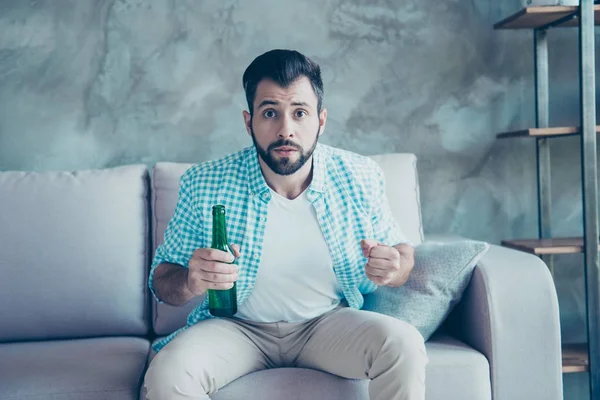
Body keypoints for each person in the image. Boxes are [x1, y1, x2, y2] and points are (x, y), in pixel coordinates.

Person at [143, 49, 428, 400]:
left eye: (300, 113)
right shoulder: (203, 183)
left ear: (321, 120)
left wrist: (394, 267)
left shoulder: (360, 175)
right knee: (169, 372)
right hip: (236, 329)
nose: (285, 130)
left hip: (327, 324)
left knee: (404, 345)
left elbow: (402, 254)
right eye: (270, 113)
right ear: (249, 122)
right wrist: (190, 280)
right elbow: (161, 279)